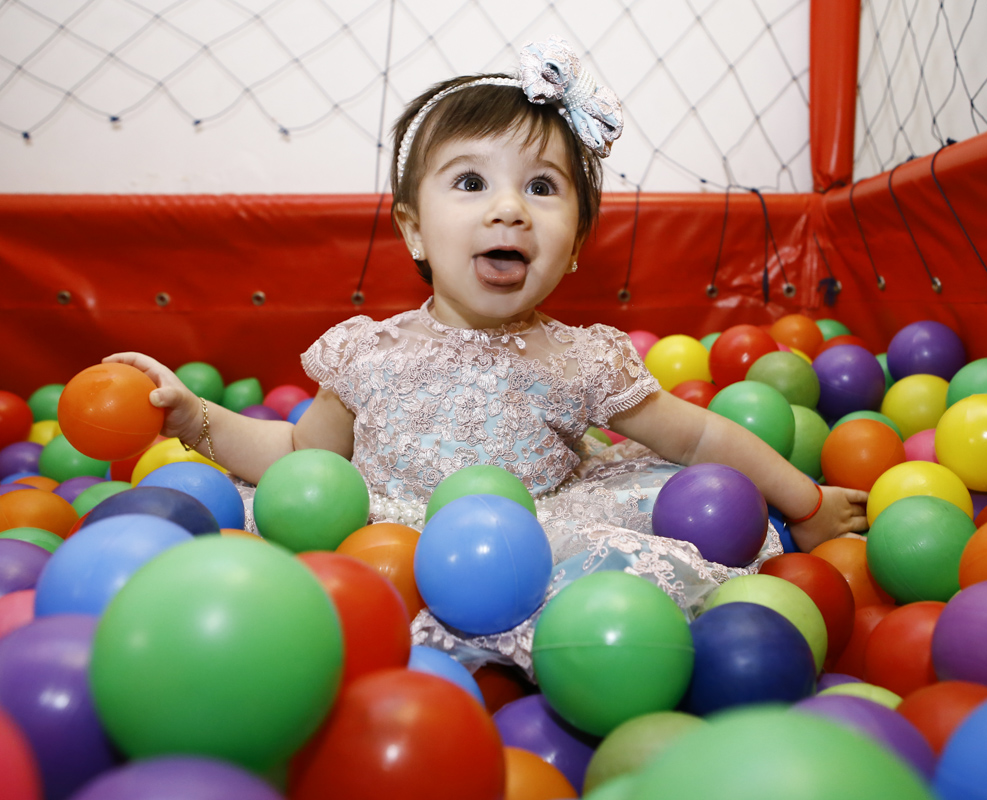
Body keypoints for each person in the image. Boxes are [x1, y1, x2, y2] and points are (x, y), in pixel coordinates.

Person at [109, 37, 868, 671]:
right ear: (413, 231)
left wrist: (804, 503)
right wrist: (193, 416)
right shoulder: (370, 354)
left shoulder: (582, 363)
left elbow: (702, 436)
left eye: (542, 187)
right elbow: (299, 454)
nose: (508, 207)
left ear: (574, 248)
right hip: (389, 546)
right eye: (471, 182)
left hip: (538, 545)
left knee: (632, 595)